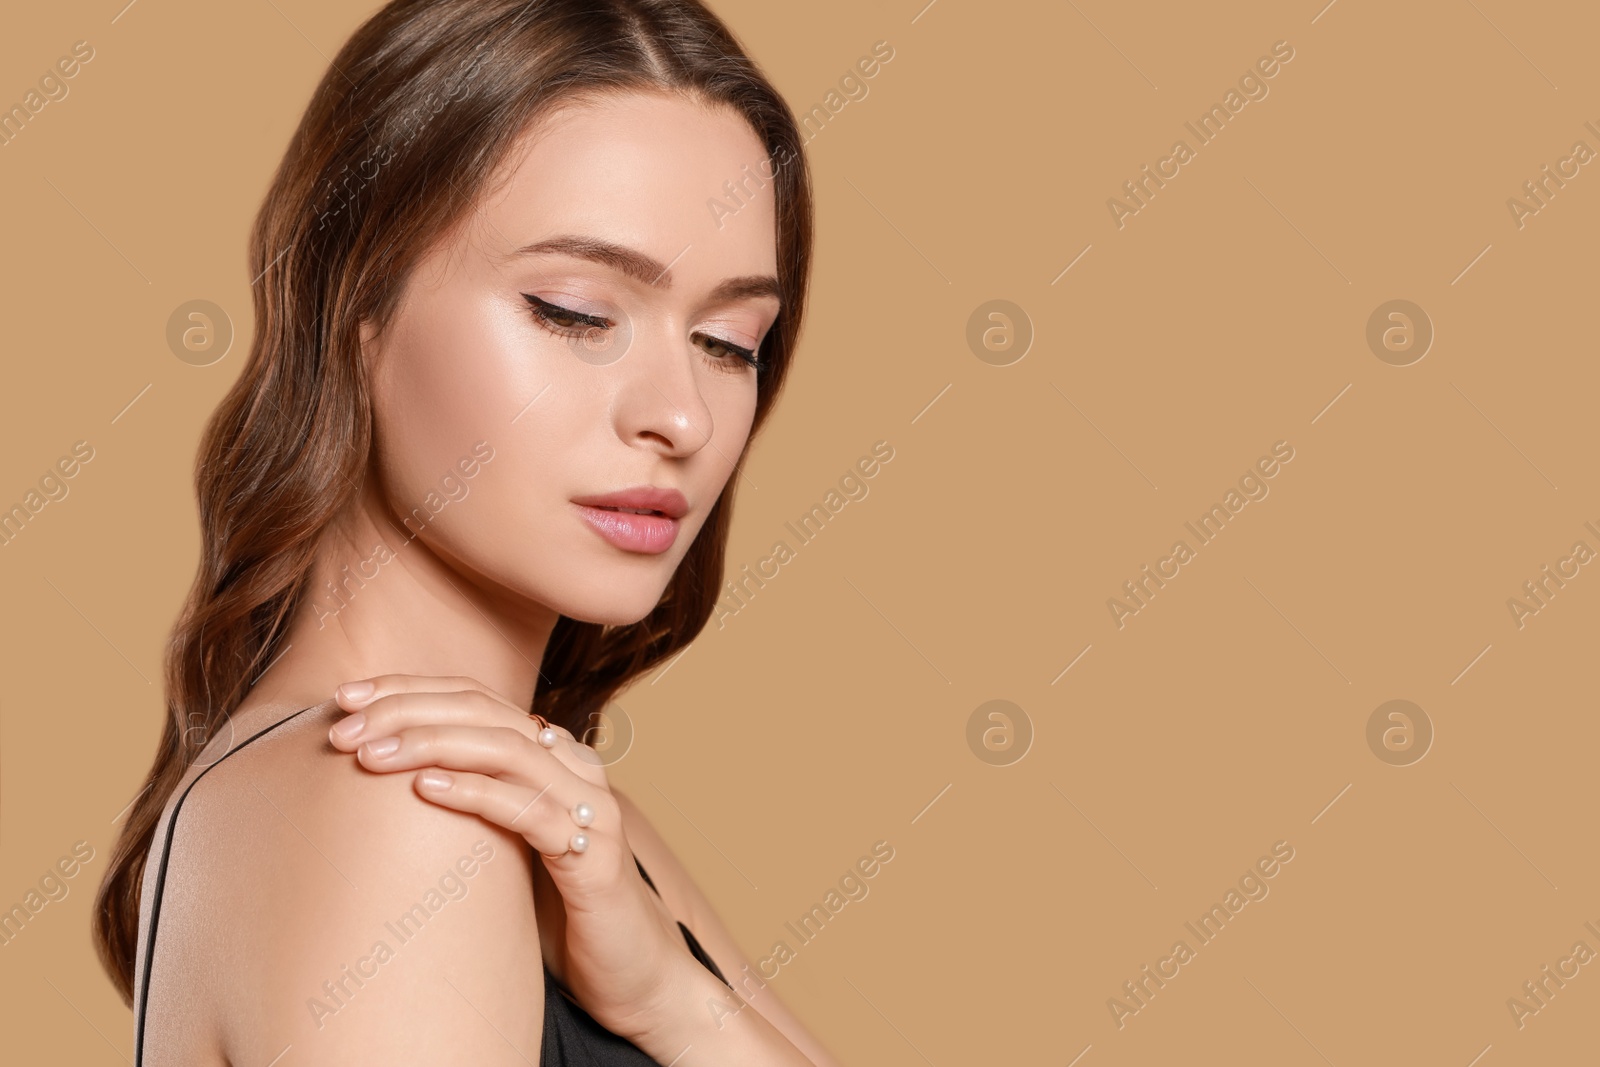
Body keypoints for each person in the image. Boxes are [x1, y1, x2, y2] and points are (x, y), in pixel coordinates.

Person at [90, 1, 836, 1062]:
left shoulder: (557, 814)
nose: (680, 415)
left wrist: (672, 996)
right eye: (576, 312)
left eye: (728, 340)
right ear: (355, 308)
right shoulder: (403, 807)